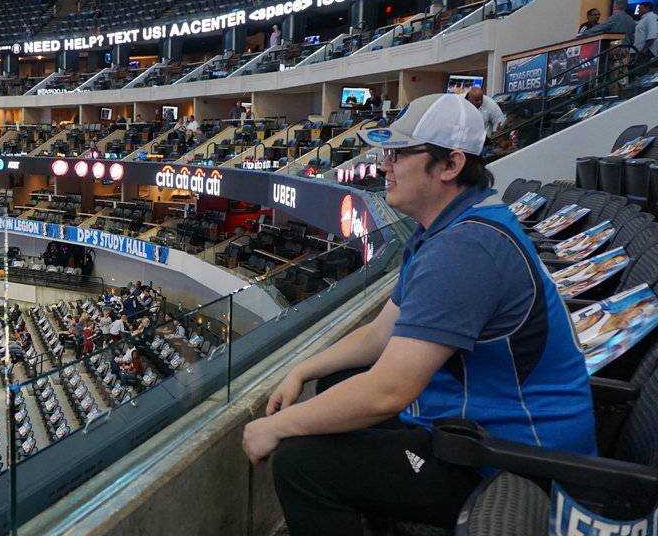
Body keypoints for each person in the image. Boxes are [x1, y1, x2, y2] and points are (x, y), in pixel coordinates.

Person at [243, 94, 596, 534]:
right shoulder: (450, 229)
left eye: (399, 154)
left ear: (450, 165)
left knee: (299, 464)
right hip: (476, 431)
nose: (384, 166)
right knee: (335, 383)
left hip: (516, 465)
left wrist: (276, 426)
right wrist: (301, 369)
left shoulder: (466, 250)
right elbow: (379, 335)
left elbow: (388, 392)